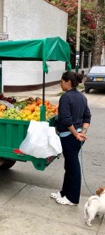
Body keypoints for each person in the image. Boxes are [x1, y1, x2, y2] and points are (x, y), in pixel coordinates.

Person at [51, 71, 91, 206]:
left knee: (73, 167)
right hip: (77, 137)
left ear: (68, 82)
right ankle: (64, 193)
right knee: (69, 165)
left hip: (70, 137)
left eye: (62, 81)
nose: (60, 83)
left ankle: (72, 198)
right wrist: (82, 132)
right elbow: (87, 117)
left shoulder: (66, 97)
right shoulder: (81, 96)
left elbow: (67, 120)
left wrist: (76, 134)